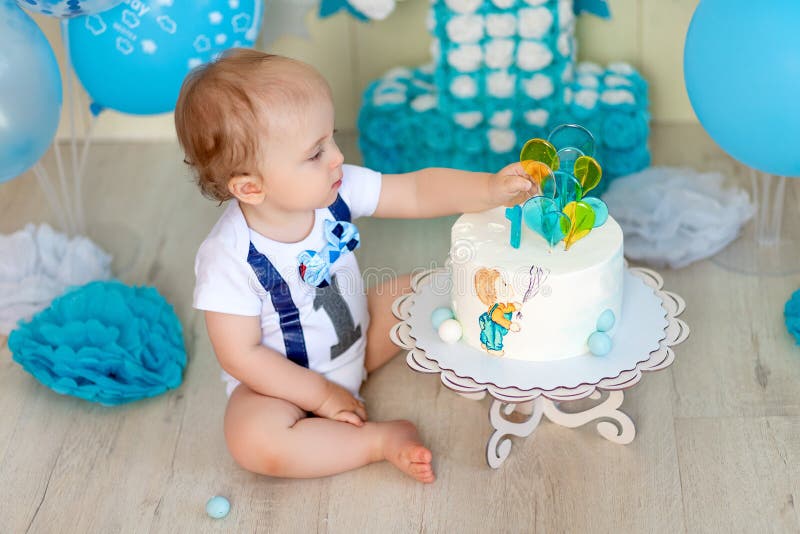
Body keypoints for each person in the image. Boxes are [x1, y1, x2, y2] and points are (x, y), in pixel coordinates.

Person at [174, 49, 535, 484]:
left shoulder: (335, 190)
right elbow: (241, 355)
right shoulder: (230, 256)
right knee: (252, 438)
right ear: (251, 187)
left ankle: (519, 360)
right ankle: (377, 442)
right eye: (315, 153)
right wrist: (319, 394)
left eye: (331, 138)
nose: (336, 157)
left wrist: (489, 187)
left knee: (439, 286)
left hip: (361, 339)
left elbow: (417, 191)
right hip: (283, 391)